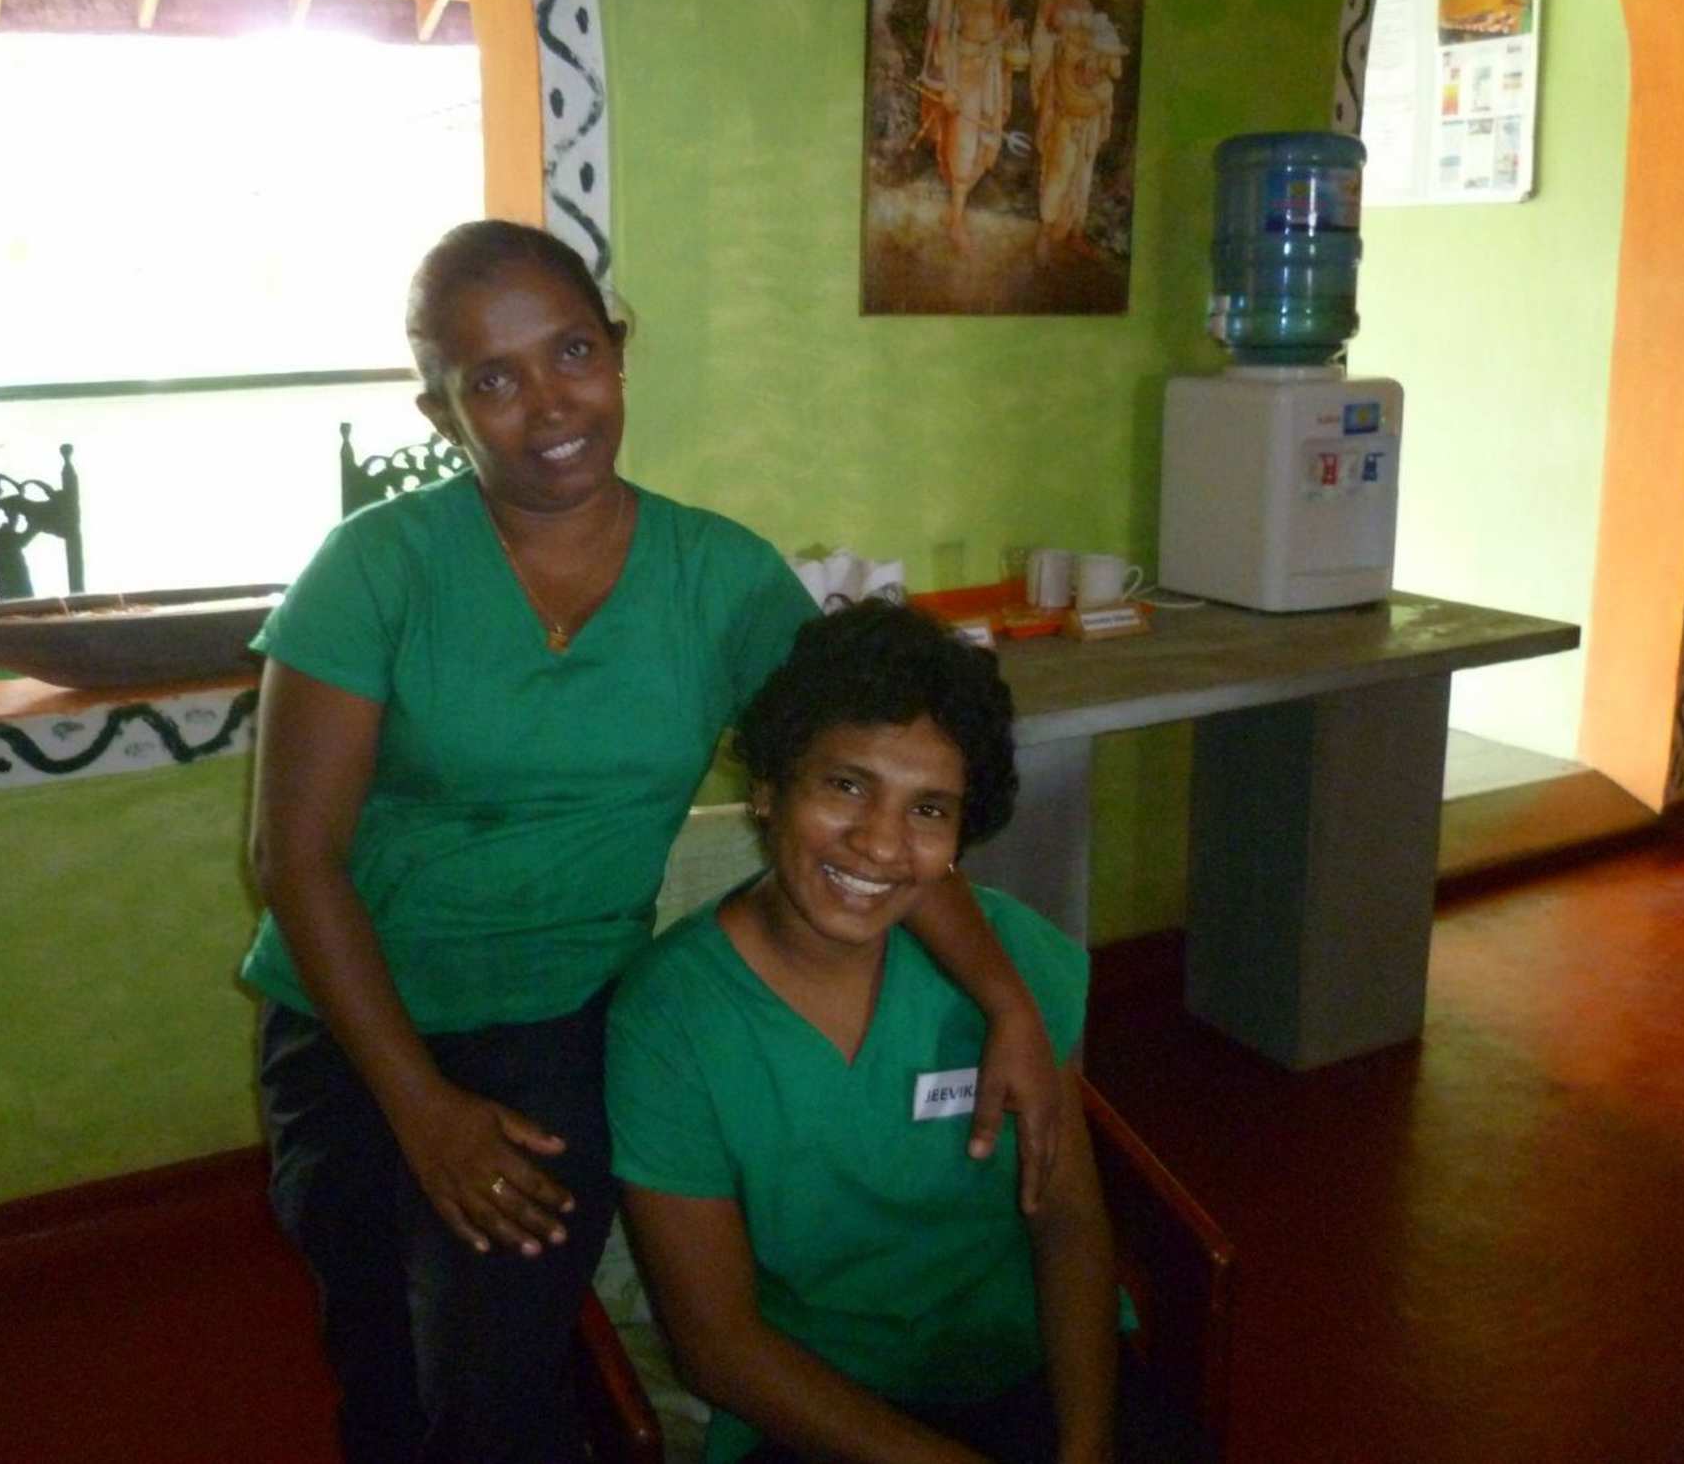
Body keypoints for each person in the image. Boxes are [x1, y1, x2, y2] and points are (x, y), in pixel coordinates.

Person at [243, 220, 1067, 1464]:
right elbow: (296, 861)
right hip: (350, 1021)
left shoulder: (719, 580)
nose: (548, 403)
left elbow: (873, 802)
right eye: (492, 379)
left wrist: (1007, 1000)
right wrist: (421, 1107)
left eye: (573, 351)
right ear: (438, 411)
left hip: (561, 1017)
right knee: (379, 1355)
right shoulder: (375, 569)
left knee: (492, 1369)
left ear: (618, 350)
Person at [606, 601, 1117, 1464]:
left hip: (1025, 1372)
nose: (881, 844)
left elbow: (1066, 1218)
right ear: (768, 789)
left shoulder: (1008, 963)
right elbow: (718, 1345)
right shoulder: (671, 1023)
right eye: (846, 786)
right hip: (817, 1407)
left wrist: (1087, 1447)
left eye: (929, 810)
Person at [918, 0, 1014, 254]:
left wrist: (1009, 33)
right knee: (963, 144)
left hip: (988, 71)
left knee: (987, 143)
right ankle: (957, 223)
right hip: (962, 70)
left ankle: (954, 212)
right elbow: (944, 33)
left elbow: (999, 25)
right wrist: (948, 85)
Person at [1029, 0, 1124, 262]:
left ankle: (1076, 232)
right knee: (1059, 168)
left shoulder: (1087, 8)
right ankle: (1045, 233)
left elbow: (1098, 50)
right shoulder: (1049, 3)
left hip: (1085, 96)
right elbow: (1041, 49)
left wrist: (1093, 67)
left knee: (1083, 173)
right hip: (1061, 94)